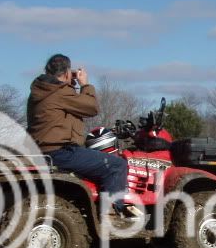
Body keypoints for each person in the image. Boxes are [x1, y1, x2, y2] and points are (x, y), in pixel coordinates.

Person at [26, 54, 141, 219]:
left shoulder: (39, 91)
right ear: (66, 73)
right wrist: (84, 84)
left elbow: (65, 103)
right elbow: (92, 107)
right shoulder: (60, 92)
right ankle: (111, 215)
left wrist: (68, 83)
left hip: (42, 151)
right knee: (117, 165)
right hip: (61, 152)